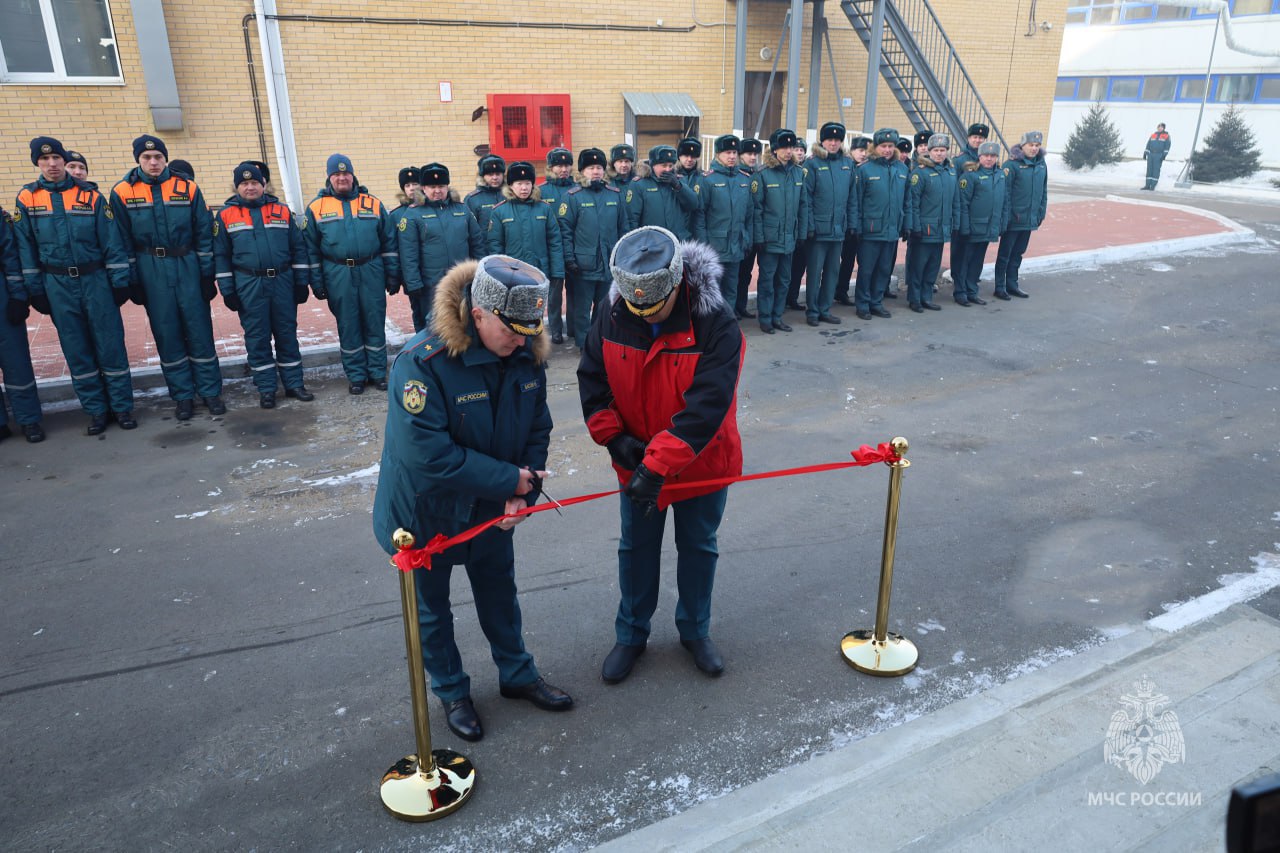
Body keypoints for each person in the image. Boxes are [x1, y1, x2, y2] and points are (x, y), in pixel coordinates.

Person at [373, 254, 573, 742]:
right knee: (432, 610)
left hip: (490, 509)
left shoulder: (525, 354)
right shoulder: (423, 364)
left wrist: (521, 494)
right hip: (423, 514)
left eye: (530, 330)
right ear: (477, 313)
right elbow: (430, 455)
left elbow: (537, 428)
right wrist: (511, 480)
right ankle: (451, 692)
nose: (522, 340)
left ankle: (517, 674)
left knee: (499, 594)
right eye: (512, 329)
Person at [577, 226, 744, 683]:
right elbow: (593, 380)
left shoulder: (716, 323)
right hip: (635, 462)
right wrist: (613, 438)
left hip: (699, 461)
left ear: (677, 284)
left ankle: (695, 629)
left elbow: (707, 407)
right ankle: (631, 634)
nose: (642, 313)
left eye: (653, 306)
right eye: (634, 305)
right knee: (636, 548)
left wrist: (657, 465)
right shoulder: (613, 312)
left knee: (697, 547)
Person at [13, 136, 135, 435]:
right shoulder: (27, 198)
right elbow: (25, 247)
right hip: (57, 283)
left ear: (63, 161)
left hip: (95, 280)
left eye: (56, 158)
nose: (52, 164)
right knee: (76, 348)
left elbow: (111, 241)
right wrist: (35, 289)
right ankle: (96, 410)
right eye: (45, 160)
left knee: (110, 345)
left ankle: (121, 407)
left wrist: (120, 282)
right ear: (37, 163)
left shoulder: (90, 196)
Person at [111, 134, 224, 420]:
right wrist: (133, 280)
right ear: (138, 159)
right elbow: (122, 240)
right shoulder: (123, 191)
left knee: (199, 330)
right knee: (167, 333)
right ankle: (183, 396)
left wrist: (206, 276)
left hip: (186, 264)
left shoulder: (187, 187)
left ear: (165, 158)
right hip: (152, 268)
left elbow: (202, 233)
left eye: (158, 157)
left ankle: (210, 391)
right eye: (147, 158)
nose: (153, 162)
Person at [213, 162, 315, 409]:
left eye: (255, 183)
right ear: (237, 187)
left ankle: (294, 384)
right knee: (257, 337)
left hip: (282, 281)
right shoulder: (225, 215)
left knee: (286, 333)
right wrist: (227, 290)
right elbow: (221, 255)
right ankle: (267, 388)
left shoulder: (282, 211)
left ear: (264, 184)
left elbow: (298, 248)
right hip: (249, 283)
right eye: (244, 183)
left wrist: (302, 282)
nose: (250, 187)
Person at [303, 153, 400, 394]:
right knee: (348, 324)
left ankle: (378, 373)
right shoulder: (316, 207)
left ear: (353, 175)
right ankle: (356, 375)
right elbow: (310, 249)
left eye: (346, 173)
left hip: (371, 269)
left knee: (374, 321)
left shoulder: (372, 203)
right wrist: (317, 281)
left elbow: (388, 241)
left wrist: (392, 274)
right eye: (336, 174)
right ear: (329, 178)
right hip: (337, 272)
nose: (342, 178)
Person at [400, 163, 486, 334]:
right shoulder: (413, 214)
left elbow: (477, 244)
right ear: (423, 188)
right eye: (432, 187)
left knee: (464, 324)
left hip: (462, 281)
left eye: (441, 186)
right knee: (433, 327)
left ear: (448, 187)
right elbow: (408, 253)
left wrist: (481, 273)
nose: (437, 191)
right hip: (431, 284)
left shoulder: (462, 210)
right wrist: (414, 283)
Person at [558, 147, 627, 348]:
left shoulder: (615, 195)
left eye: (598, 167)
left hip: (609, 263)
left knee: (605, 306)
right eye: (590, 168)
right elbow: (565, 231)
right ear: (582, 171)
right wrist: (569, 259)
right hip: (583, 264)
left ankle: (600, 341)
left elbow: (624, 228)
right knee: (582, 308)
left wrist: (622, 256)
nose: (595, 172)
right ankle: (584, 344)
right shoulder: (572, 196)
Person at [487, 160, 564, 326]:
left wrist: (557, 271)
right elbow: (495, 247)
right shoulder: (499, 211)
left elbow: (555, 242)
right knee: (517, 311)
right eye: (519, 183)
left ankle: (553, 334)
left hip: (540, 268)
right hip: (514, 273)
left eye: (528, 183)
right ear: (511, 186)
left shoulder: (544, 208)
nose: (524, 188)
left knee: (542, 306)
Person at [802, 121, 858, 327]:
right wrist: (809, 226)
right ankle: (813, 311)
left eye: (837, 140)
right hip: (818, 230)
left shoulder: (847, 164)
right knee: (815, 272)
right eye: (829, 140)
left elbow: (852, 197)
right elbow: (806, 199)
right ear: (822, 141)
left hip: (838, 229)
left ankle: (825, 309)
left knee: (833, 271)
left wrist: (851, 223)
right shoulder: (812, 164)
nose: (833, 143)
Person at [752, 128, 807, 335]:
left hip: (789, 237)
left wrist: (801, 233)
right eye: (783, 147)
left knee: (784, 280)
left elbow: (803, 206)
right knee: (767, 280)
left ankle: (777, 316)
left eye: (791, 147)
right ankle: (765, 318)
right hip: (769, 238)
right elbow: (756, 210)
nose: (788, 151)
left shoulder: (798, 173)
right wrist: (759, 237)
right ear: (775, 150)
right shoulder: (763, 174)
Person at [695, 135, 756, 316]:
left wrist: (747, 239)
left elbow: (749, 215)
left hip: (736, 244)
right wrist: (704, 245)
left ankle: (729, 324)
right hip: (715, 247)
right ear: (718, 154)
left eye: (734, 152)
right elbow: (700, 216)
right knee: (713, 290)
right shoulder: (707, 180)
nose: (731, 156)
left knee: (732, 287)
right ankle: (712, 328)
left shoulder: (744, 179)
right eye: (727, 152)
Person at [853, 128, 910, 321]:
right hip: (870, 230)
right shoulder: (864, 170)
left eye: (890, 146)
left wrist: (905, 224)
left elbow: (906, 201)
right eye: (883, 146)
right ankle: (863, 304)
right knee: (867, 269)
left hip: (892, 229)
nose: (887, 150)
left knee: (885, 269)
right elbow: (857, 202)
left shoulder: (902, 169)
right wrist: (858, 227)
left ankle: (876, 302)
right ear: (875, 147)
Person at [1, 202, 45, 442]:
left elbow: (10, 256)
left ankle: (29, 420)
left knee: (15, 360)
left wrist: (18, 296)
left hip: (2, 296)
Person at [903, 134, 958, 313]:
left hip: (941, 229)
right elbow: (913, 202)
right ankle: (915, 299)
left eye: (943, 150)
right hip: (924, 229)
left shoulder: (950, 171)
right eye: (936, 150)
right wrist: (915, 227)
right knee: (918, 266)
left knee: (933, 266)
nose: (939, 154)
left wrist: (954, 223)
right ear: (929, 151)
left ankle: (927, 297)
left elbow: (955, 200)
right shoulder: (920, 173)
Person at [993, 131, 1047, 300]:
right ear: (1022, 146)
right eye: (1031, 145)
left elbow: (1043, 190)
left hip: (1029, 218)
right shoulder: (1012, 165)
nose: (1034, 149)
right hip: (1013, 219)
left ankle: (1012, 284)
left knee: (1018, 253)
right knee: (1005, 254)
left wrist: (1041, 211)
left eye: (1037, 146)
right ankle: (1000, 287)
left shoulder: (1041, 165)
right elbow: (1005, 193)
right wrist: (1007, 216)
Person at [954, 140, 1007, 307]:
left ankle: (972, 290)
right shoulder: (970, 175)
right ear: (980, 156)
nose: (989, 159)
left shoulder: (1000, 175)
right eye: (986, 156)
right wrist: (964, 227)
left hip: (988, 227)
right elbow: (963, 204)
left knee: (977, 262)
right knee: (965, 261)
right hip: (972, 228)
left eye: (993, 156)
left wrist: (1001, 223)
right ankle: (960, 292)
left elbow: (1004, 201)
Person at [540, 148, 577, 345]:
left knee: (575, 291)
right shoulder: (542, 191)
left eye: (566, 165)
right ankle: (555, 329)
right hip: (552, 249)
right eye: (559, 165)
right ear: (551, 167)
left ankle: (572, 327)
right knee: (554, 293)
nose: (563, 169)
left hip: (575, 248)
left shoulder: (578, 188)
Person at [625, 145, 700, 241]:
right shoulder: (639, 184)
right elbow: (632, 219)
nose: (668, 170)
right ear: (653, 165)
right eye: (664, 166)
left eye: (670, 166)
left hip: (678, 240)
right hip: (652, 242)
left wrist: (678, 186)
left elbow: (693, 204)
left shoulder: (680, 180)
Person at [949, 123, 989, 296]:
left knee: (975, 256)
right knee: (961, 253)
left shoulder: (987, 159)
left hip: (981, 218)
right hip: (963, 215)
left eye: (981, 138)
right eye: (975, 137)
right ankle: (959, 286)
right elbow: (955, 189)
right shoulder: (960, 160)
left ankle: (970, 286)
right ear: (968, 138)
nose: (978, 140)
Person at [834, 135, 871, 306]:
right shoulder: (845, 166)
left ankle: (842, 290)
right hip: (843, 221)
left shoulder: (868, 168)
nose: (863, 154)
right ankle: (832, 289)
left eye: (866, 151)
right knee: (836, 260)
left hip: (861, 222)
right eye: (860, 150)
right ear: (852, 151)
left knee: (850, 259)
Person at [735, 137, 764, 319]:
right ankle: (733, 308)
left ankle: (741, 306)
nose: (752, 157)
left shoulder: (759, 174)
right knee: (734, 274)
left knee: (746, 273)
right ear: (740, 155)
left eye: (755, 154)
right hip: (739, 231)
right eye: (748, 153)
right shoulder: (737, 175)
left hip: (753, 231)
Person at [786, 141, 811, 311]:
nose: (799, 152)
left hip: (800, 228)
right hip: (786, 230)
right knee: (784, 269)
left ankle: (793, 297)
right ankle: (783, 298)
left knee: (799, 267)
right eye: (796, 149)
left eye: (802, 150)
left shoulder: (805, 170)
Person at [464, 155, 506, 231]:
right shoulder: (472, 199)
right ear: (483, 176)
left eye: (498, 174)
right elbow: (468, 228)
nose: (495, 178)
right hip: (484, 242)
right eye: (490, 174)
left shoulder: (511, 196)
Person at [1143, 123, 1171, 191]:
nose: (1160, 128)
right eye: (1159, 127)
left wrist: (1164, 155)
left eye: (1161, 127)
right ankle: (1147, 185)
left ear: (1164, 128)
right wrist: (1145, 153)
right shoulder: (1153, 135)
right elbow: (1148, 144)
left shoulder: (1166, 136)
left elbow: (1167, 146)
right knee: (1149, 170)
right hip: (1151, 154)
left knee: (1156, 170)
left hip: (1159, 155)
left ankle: (1152, 186)